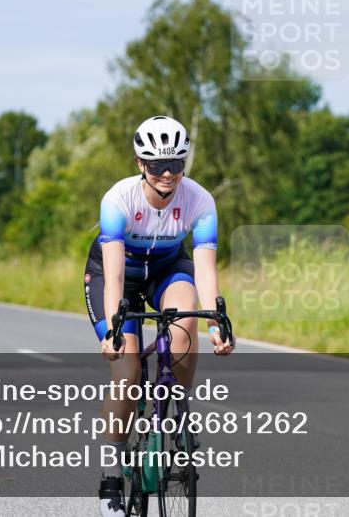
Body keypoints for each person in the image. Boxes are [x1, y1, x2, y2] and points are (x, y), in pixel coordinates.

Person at [83, 115, 234, 517]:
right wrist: (115, 326)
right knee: (128, 373)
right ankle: (111, 478)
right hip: (118, 275)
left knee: (185, 325)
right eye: (156, 165)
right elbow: (113, 274)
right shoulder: (118, 200)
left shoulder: (200, 201)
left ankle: (177, 415)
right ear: (140, 165)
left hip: (168, 269)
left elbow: (205, 269)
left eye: (176, 164)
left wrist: (216, 320)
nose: (167, 173)